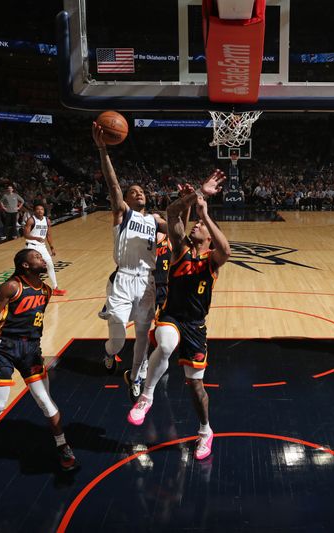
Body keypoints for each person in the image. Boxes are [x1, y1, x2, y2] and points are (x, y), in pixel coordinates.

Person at [127, 173, 229, 462]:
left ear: (208, 237)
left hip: (196, 326)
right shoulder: (180, 251)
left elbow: (227, 250)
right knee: (167, 343)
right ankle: (146, 396)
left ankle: (205, 430)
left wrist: (205, 215)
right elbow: (172, 213)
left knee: (195, 386)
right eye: (195, 223)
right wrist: (198, 194)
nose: (195, 226)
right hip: (171, 316)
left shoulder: (211, 261)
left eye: (200, 227)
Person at [0, 248, 77, 471]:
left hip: (31, 349)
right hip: (5, 348)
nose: (42, 258)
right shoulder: (12, 286)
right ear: (25, 265)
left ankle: (62, 444)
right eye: (36, 257)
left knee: (45, 401)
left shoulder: (45, 290)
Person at [92, 121, 167, 379]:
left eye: (141, 191)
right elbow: (113, 186)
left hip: (147, 280)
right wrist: (103, 151)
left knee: (144, 335)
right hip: (124, 277)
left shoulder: (155, 220)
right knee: (119, 339)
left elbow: (179, 231)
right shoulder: (122, 214)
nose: (138, 193)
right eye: (133, 191)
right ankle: (110, 351)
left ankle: (137, 375)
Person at [123, 224, 172, 403]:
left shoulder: (169, 240)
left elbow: (180, 222)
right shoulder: (143, 243)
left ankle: (156, 360)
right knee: (142, 333)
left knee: (163, 329)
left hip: (166, 289)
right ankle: (142, 365)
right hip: (145, 288)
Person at [24, 202, 66, 296]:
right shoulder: (31, 220)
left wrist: (52, 247)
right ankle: (27, 287)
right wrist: (35, 238)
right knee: (33, 268)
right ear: (34, 211)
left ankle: (55, 288)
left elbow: (49, 235)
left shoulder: (47, 220)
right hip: (31, 246)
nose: (40, 211)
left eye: (42, 209)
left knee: (50, 265)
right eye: (38, 209)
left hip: (42, 246)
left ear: (44, 210)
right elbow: (25, 235)